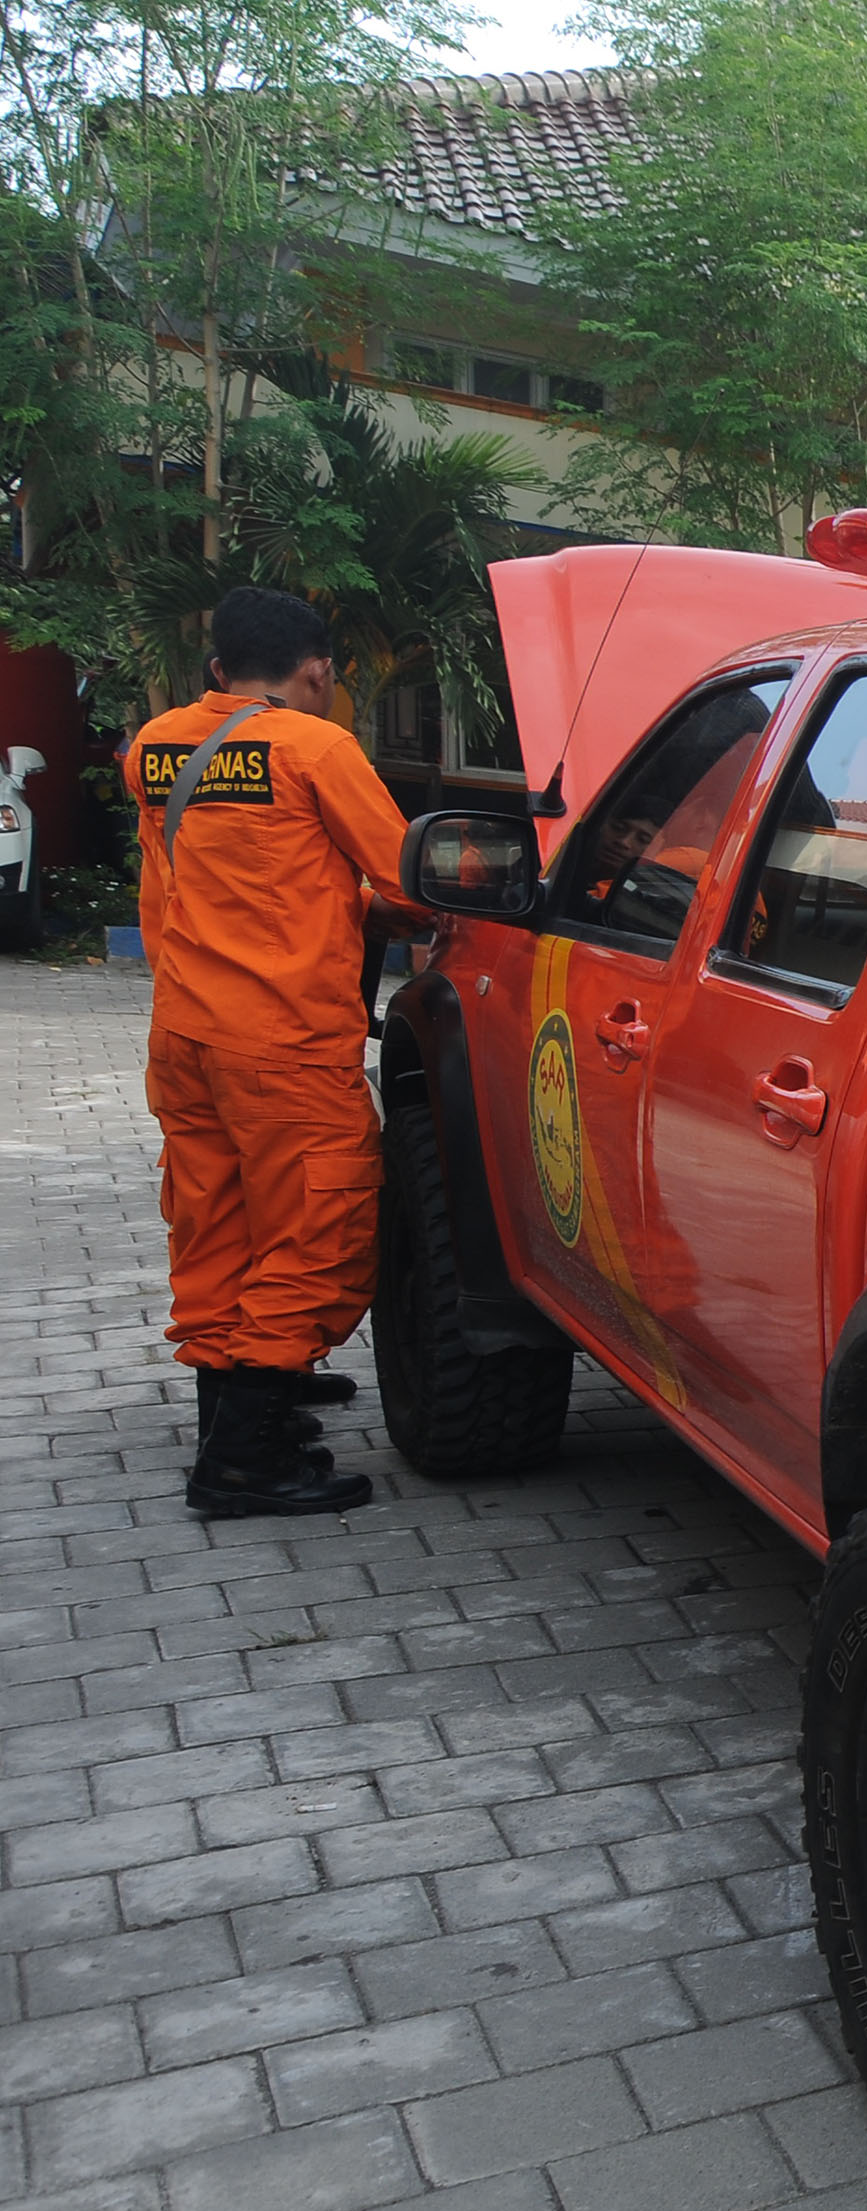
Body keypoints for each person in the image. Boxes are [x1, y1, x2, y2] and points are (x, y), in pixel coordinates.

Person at [125, 586, 419, 1518]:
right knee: (317, 1228)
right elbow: (404, 877)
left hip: (185, 1033)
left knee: (215, 1224)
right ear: (318, 671)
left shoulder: (156, 744)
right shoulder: (317, 747)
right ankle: (245, 1458)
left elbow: (167, 887)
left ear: (219, 669)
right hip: (282, 1039)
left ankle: (235, 1407)